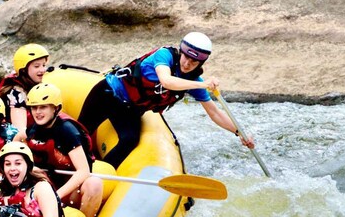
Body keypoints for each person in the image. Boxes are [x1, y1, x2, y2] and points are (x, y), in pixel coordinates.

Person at [78, 32, 256, 168]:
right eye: (186, 57)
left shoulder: (193, 81)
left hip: (129, 109)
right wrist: (204, 85)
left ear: (201, 63)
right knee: (79, 135)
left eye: (194, 62)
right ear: (181, 52)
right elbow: (166, 80)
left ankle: (101, 174)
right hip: (108, 93)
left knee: (130, 140)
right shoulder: (164, 55)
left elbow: (214, 113)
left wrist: (240, 132)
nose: (187, 64)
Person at [26, 83, 103, 217]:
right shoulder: (32, 129)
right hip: (45, 185)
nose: (37, 112)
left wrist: (55, 196)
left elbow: (83, 171)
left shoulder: (68, 131)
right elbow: (20, 141)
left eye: (43, 107)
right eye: (34, 107)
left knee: (94, 184)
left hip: (69, 189)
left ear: (56, 108)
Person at [0, 44, 51, 142]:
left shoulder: (38, 86)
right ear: (23, 70)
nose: (42, 70)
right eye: (36, 66)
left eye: (43, 65)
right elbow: (20, 131)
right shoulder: (17, 93)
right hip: (14, 139)